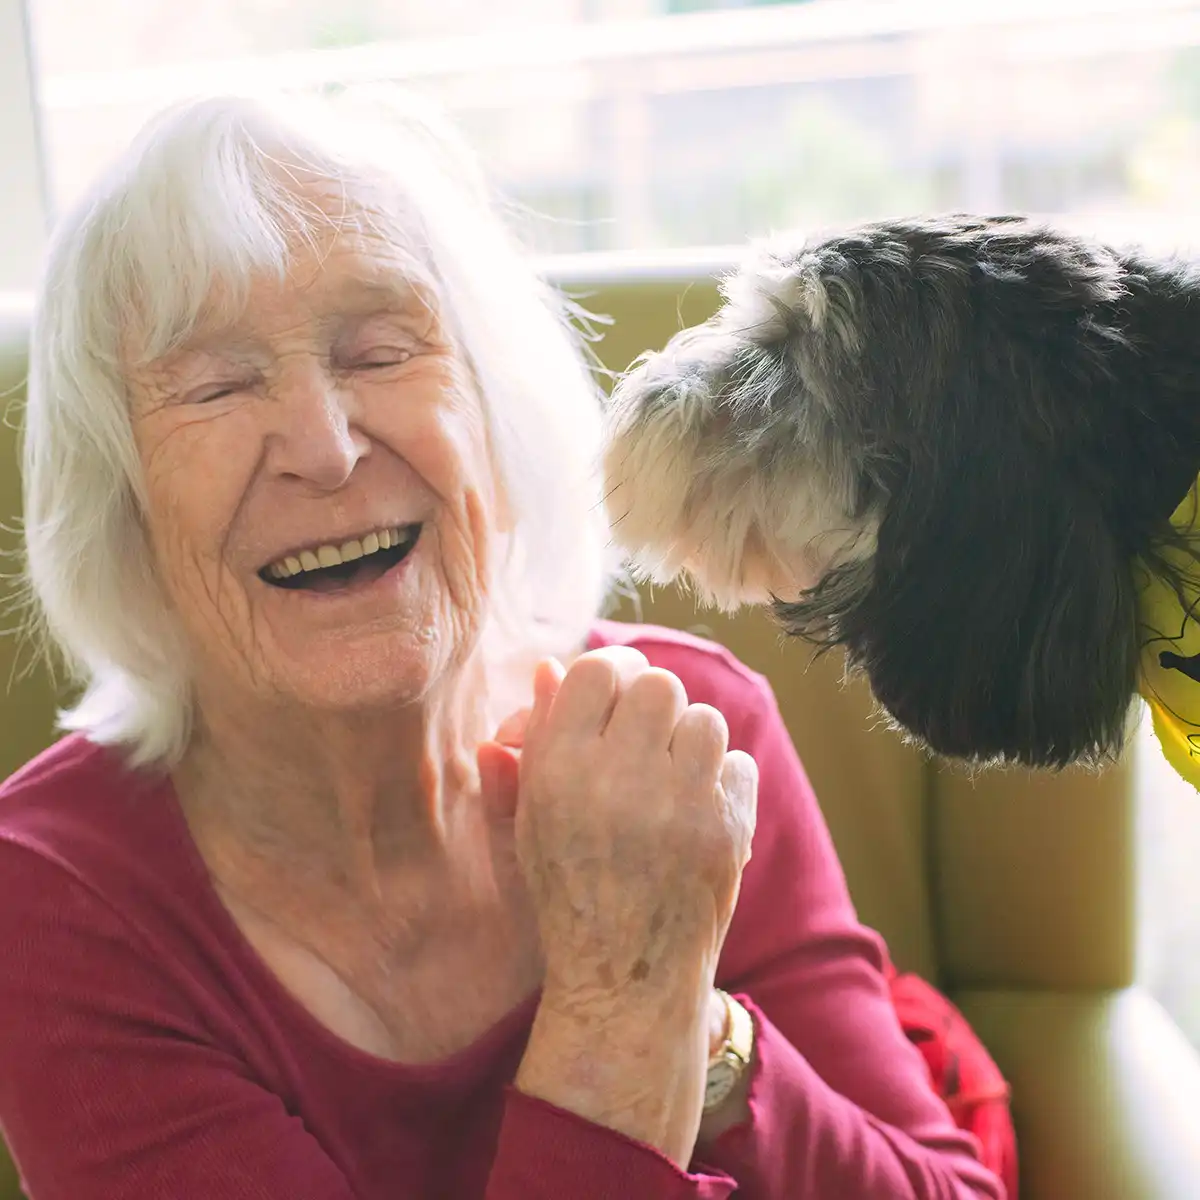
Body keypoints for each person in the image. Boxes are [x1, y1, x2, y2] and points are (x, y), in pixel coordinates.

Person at [0, 89, 1005, 1200]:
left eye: (380, 351)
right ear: (122, 501)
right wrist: (621, 1007)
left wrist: (698, 1022)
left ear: (497, 412)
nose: (325, 450)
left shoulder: (683, 731)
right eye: (220, 384)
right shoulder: (47, 901)